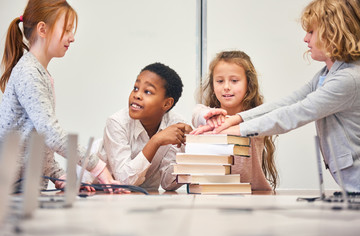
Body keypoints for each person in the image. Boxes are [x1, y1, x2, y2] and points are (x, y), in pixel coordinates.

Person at [194, 0, 360, 192]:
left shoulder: (348, 79)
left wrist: (234, 130)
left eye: (311, 32)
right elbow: (290, 102)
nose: (305, 39)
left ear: (333, 32)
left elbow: (295, 113)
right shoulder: (327, 73)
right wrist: (238, 119)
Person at [0, 0, 126, 193]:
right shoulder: (29, 73)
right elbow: (51, 133)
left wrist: (59, 176)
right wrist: (99, 169)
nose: (72, 37)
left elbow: (39, 138)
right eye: (66, 30)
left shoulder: (40, 73)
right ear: (42, 29)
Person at [95, 62, 192, 191]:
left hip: (142, 197)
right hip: (97, 192)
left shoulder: (175, 125)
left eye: (147, 91)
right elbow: (124, 181)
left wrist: (190, 150)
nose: (137, 95)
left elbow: (168, 183)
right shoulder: (116, 122)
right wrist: (155, 141)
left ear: (167, 103)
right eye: (135, 88)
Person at [191, 50, 277, 190]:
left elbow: (265, 119)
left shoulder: (257, 118)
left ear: (248, 84)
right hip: (213, 193)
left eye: (234, 81)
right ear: (213, 85)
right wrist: (209, 116)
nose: (226, 87)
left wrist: (226, 121)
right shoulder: (207, 116)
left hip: (254, 194)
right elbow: (197, 114)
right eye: (219, 81)